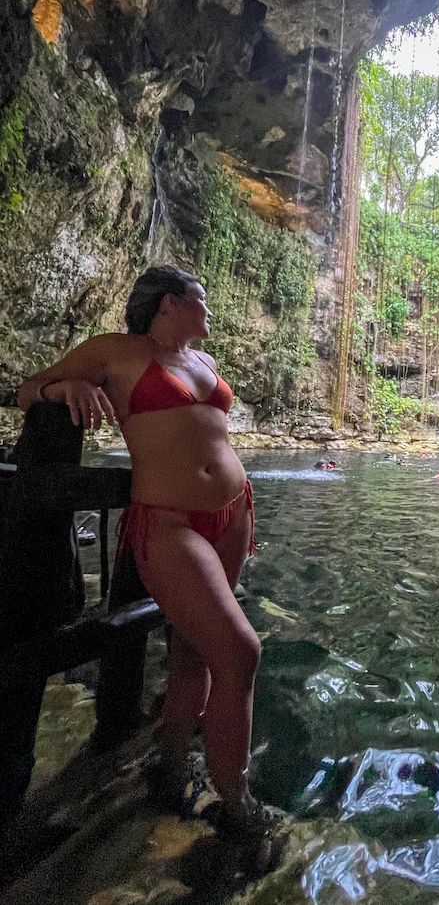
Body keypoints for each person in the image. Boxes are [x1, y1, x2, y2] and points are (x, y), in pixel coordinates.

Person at [17, 265, 264, 831]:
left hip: (231, 517)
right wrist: (62, 387)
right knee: (240, 652)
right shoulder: (116, 350)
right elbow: (28, 388)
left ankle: (171, 764)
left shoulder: (205, 362)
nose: (209, 309)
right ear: (171, 303)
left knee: (195, 652)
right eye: (201, 299)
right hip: (168, 522)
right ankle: (237, 802)